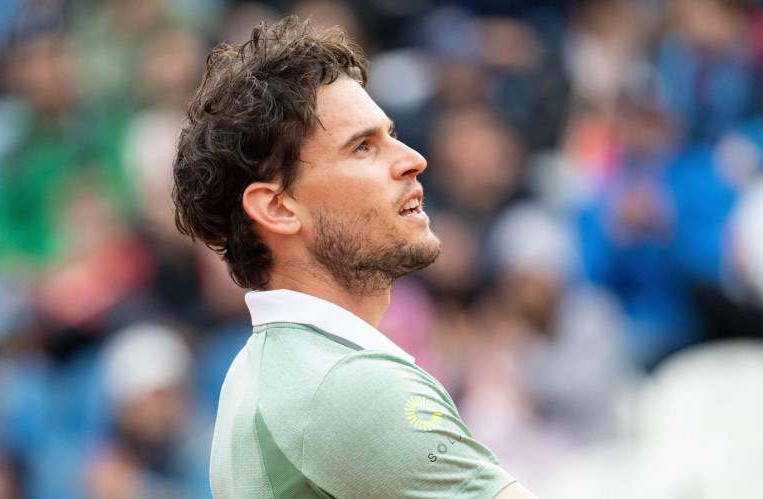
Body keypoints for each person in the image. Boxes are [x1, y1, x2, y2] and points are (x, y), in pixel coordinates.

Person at [172, 16, 538, 498]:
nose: (412, 158)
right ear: (279, 208)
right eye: (363, 147)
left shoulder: (267, 368)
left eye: (391, 135)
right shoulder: (347, 387)